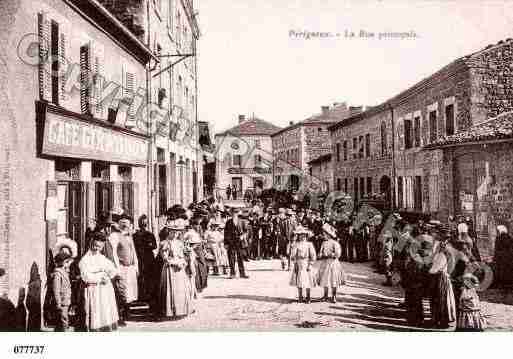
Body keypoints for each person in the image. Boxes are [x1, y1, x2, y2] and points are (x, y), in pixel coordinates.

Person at [79, 232, 119, 332]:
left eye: (100, 247)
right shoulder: (85, 260)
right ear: (91, 243)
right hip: (94, 289)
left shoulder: (102, 258)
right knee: (96, 313)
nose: (97, 249)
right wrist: (100, 277)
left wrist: (108, 276)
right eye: (95, 246)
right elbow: (85, 276)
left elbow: (113, 269)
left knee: (105, 311)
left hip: (105, 290)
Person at [428, 240, 456, 329]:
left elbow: (434, 269)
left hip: (440, 279)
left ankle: (441, 320)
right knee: (438, 300)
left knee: (440, 300)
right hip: (439, 278)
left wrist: (429, 270)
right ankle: (437, 319)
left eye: (436, 247)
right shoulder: (439, 255)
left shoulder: (441, 256)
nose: (435, 249)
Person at [318, 223, 345, 303]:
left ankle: (334, 296)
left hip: (333, 263)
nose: (323, 236)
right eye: (323, 234)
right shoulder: (323, 243)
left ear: (329, 235)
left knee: (333, 279)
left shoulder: (334, 243)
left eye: (325, 234)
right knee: (325, 279)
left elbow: (338, 254)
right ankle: (325, 295)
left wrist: (330, 254)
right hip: (325, 262)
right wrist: (321, 254)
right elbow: (320, 252)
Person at [289, 226, 317, 304]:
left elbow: (313, 255)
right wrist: (295, 263)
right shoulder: (296, 244)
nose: (303, 237)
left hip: (307, 263)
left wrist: (310, 264)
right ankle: (300, 296)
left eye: (304, 235)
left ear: (306, 236)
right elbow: (293, 256)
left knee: (308, 280)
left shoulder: (309, 244)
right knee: (299, 280)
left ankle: (308, 297)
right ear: (298, 236)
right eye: (301, 235)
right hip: (299, 263)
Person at [133, 215, 157, 302]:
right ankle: (141, 295)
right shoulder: (135, 235)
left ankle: (148, 295)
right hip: (139, 257)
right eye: (142, 223)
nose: (143, 225)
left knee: (148, 276)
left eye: (144, 223)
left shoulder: (150, 234)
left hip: (148, 258)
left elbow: (154, 246)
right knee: (140, 275)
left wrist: (148, 245)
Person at [50, 252, 73, 331]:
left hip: (65, 301)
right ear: (61, 263)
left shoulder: (64, 273)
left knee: (61, 322)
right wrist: (58, 303)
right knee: (63, 321)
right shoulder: (58, 274)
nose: (68, 264)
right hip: (61, 303)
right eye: (66, 262)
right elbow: (56, 290)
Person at [224, 208, 249, 279]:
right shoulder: (228, 222)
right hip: (231, 242)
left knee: (240, 258)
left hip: (240, 242)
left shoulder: (242, 222)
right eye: (233, 212)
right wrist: (226, 243)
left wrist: (243, 236)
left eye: (236, 212)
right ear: (231, 213)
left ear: (238, 213)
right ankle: (232, 273)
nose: (234, 214)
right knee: (231, 258)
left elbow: (246, 231)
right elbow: (226, 233)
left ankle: (242, 273)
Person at [185, 218, 208, 294]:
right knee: (195, 268)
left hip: (199, 250)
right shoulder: (189, 232)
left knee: (202, 266)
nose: (198, 226)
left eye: (198, 225)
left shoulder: (197, 232)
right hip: (194, 250)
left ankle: (201, 285)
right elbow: (186, 242)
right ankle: (197, 286)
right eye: (196, 225)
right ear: (192, 225)